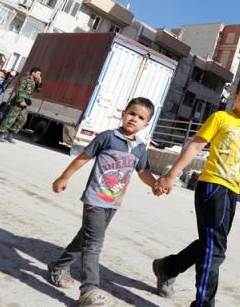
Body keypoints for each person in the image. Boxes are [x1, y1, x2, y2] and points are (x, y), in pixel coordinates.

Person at [152, 75, 240, 307]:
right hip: (212, 186)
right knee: (214, 249)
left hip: (231, 192)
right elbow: (196, 145)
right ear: (235, 96)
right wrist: (171, 175)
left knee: (213, 244)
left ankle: (168, 267)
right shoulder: (220, 118)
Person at [47, 97, 160, 306]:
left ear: (146, 124)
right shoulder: (108, 137)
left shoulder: (139, 148)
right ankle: (89, 289)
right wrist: (64, 177)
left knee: (86, 238)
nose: (134, 119)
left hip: (113, 203)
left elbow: (143, 172)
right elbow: (84, 157)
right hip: (95, 199)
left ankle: (59, 266)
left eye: (141, 117)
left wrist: (155, 185)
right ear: (123, 113)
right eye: (132, 113)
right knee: (94, 244)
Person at [0, 66, 42, 143]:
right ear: (33, 73)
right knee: (10, 118)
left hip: (25, 103)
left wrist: (39, 83)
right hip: (18, 102)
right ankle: (0, 134)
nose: (39, 76)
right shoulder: (25, 79)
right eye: (38, 74)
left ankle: (9, 135)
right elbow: (19, 90)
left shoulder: (34, 82)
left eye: (40, 74)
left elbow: (37, 90)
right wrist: (20, 101)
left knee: (22, 119)